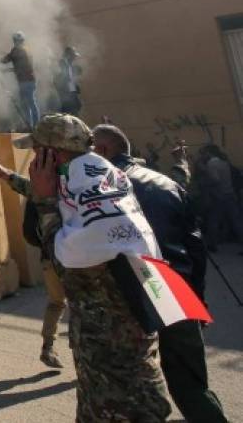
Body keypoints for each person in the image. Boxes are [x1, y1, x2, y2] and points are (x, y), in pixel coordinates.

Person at [0, 114, 171, 422]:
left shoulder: (72, 191)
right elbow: (68, 199)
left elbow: (64, 259)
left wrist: (45, 203)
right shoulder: (96, 173)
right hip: (124, 332)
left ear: (54, 153)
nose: (35, 158)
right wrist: (5, 175)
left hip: (111, 353)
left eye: (38, 150)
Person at [93, 124, 227, 423]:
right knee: (190, 384)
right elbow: (195, 247)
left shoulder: (99, 189)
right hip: (174, 288)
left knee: (132, 389)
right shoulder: (165, 182)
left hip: (129, 297)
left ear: (102, 151)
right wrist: (197, 298)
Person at [21, 201, 66, 369]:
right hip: (77, 257)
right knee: (81, 305)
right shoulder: (74, 184)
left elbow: (29, 232)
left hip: (49, 257)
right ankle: (82, 352)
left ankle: (48, 347)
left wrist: (44, 244)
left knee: (56, 302)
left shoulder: (36, 192)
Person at [198, 144, 243, 250]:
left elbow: (216, 179)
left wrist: (204, 182)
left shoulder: (211, 163)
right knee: (236, 221)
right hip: (230, 194)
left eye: (204, 153)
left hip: (219, 196)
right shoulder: (224, 162)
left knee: (213, 221)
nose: (203, 155)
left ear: (209, 152)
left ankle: (212, 245)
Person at [2, 31, 40, 127]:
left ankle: (35, 125)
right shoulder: (25, 50)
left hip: (26, 81)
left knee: (29, 103)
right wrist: (8, 69)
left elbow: (6, 60)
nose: (16, 42)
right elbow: (21, 66)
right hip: (27, 80)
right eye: (15, 40)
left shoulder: (17, 50)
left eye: (17, 40)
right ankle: (31, 125)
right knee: (27, 103)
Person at [53, 46, 82, 115]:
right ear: (69, 55)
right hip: (66, 92)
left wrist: (75, 88)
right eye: (73, 56)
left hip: (69, 91)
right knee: (71, 110)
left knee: (76, 106)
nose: (74, 58)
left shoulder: (68, 65)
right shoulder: (63, 64)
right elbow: (65, 79)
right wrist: (73, 89)